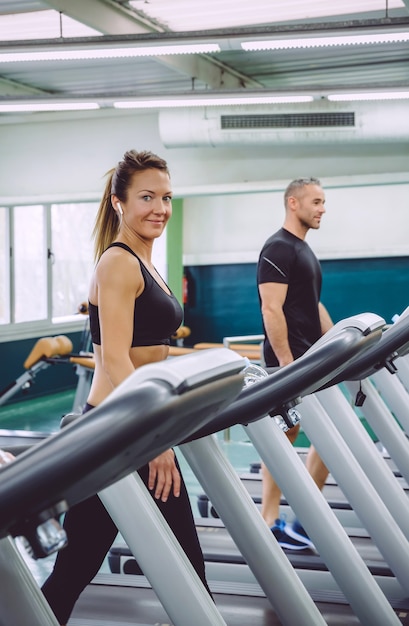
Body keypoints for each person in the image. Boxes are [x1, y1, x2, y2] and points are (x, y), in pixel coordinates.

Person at [41, 149, 211, 625]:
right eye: (147, 197)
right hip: (118, 429)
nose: (160, 207)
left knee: (80, 566)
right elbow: (114, 358)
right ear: (118, 203)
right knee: (79, 568)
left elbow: (148, 346)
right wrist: (152, 439)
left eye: (166, 197)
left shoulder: (146, 261)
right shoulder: (118, 263)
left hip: (133, 424)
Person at [257, 177, 333, 553]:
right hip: (287, 363)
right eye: (316, 202)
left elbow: (311, 304)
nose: (322, 209)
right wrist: (287, 364)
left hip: (309, 359)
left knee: (312, 438)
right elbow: (271, 308)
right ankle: (272, 520)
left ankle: (293, 517)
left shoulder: (303, 250)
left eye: (323, 203)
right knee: (287, 439)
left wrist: (337, 341)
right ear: (293, 203)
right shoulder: (278, 247)